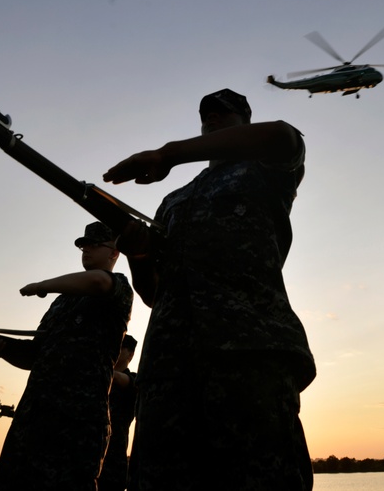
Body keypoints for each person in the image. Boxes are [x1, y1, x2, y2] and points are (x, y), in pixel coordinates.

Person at [102, 88, 315, 491]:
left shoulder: (267, 170)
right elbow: (154, 294)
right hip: (168, 369)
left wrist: (168, 154)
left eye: (225, 112)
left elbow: (281, 136)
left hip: (249, 352)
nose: (213, 117)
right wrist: (138, 254)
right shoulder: (173, 200)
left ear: (245, 120)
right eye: (207, 114)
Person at [0, 222, 133, 490]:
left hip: (78, 417)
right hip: (33, 416)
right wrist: (2, 350)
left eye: (95, 244)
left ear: (114, 253)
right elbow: (34, 355)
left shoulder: (117, 287)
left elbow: (97, 280)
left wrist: (43, 284)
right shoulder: (61, 301)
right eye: (84, 245)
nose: (86, 249)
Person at [98, 333, 138, 491]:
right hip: (89, 453)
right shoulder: (100, 377)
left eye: (121, 346)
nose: (116, 349)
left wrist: (104, 370)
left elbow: (123, 380)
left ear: (130, 354)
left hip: (113, 461)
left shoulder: (133, 379)